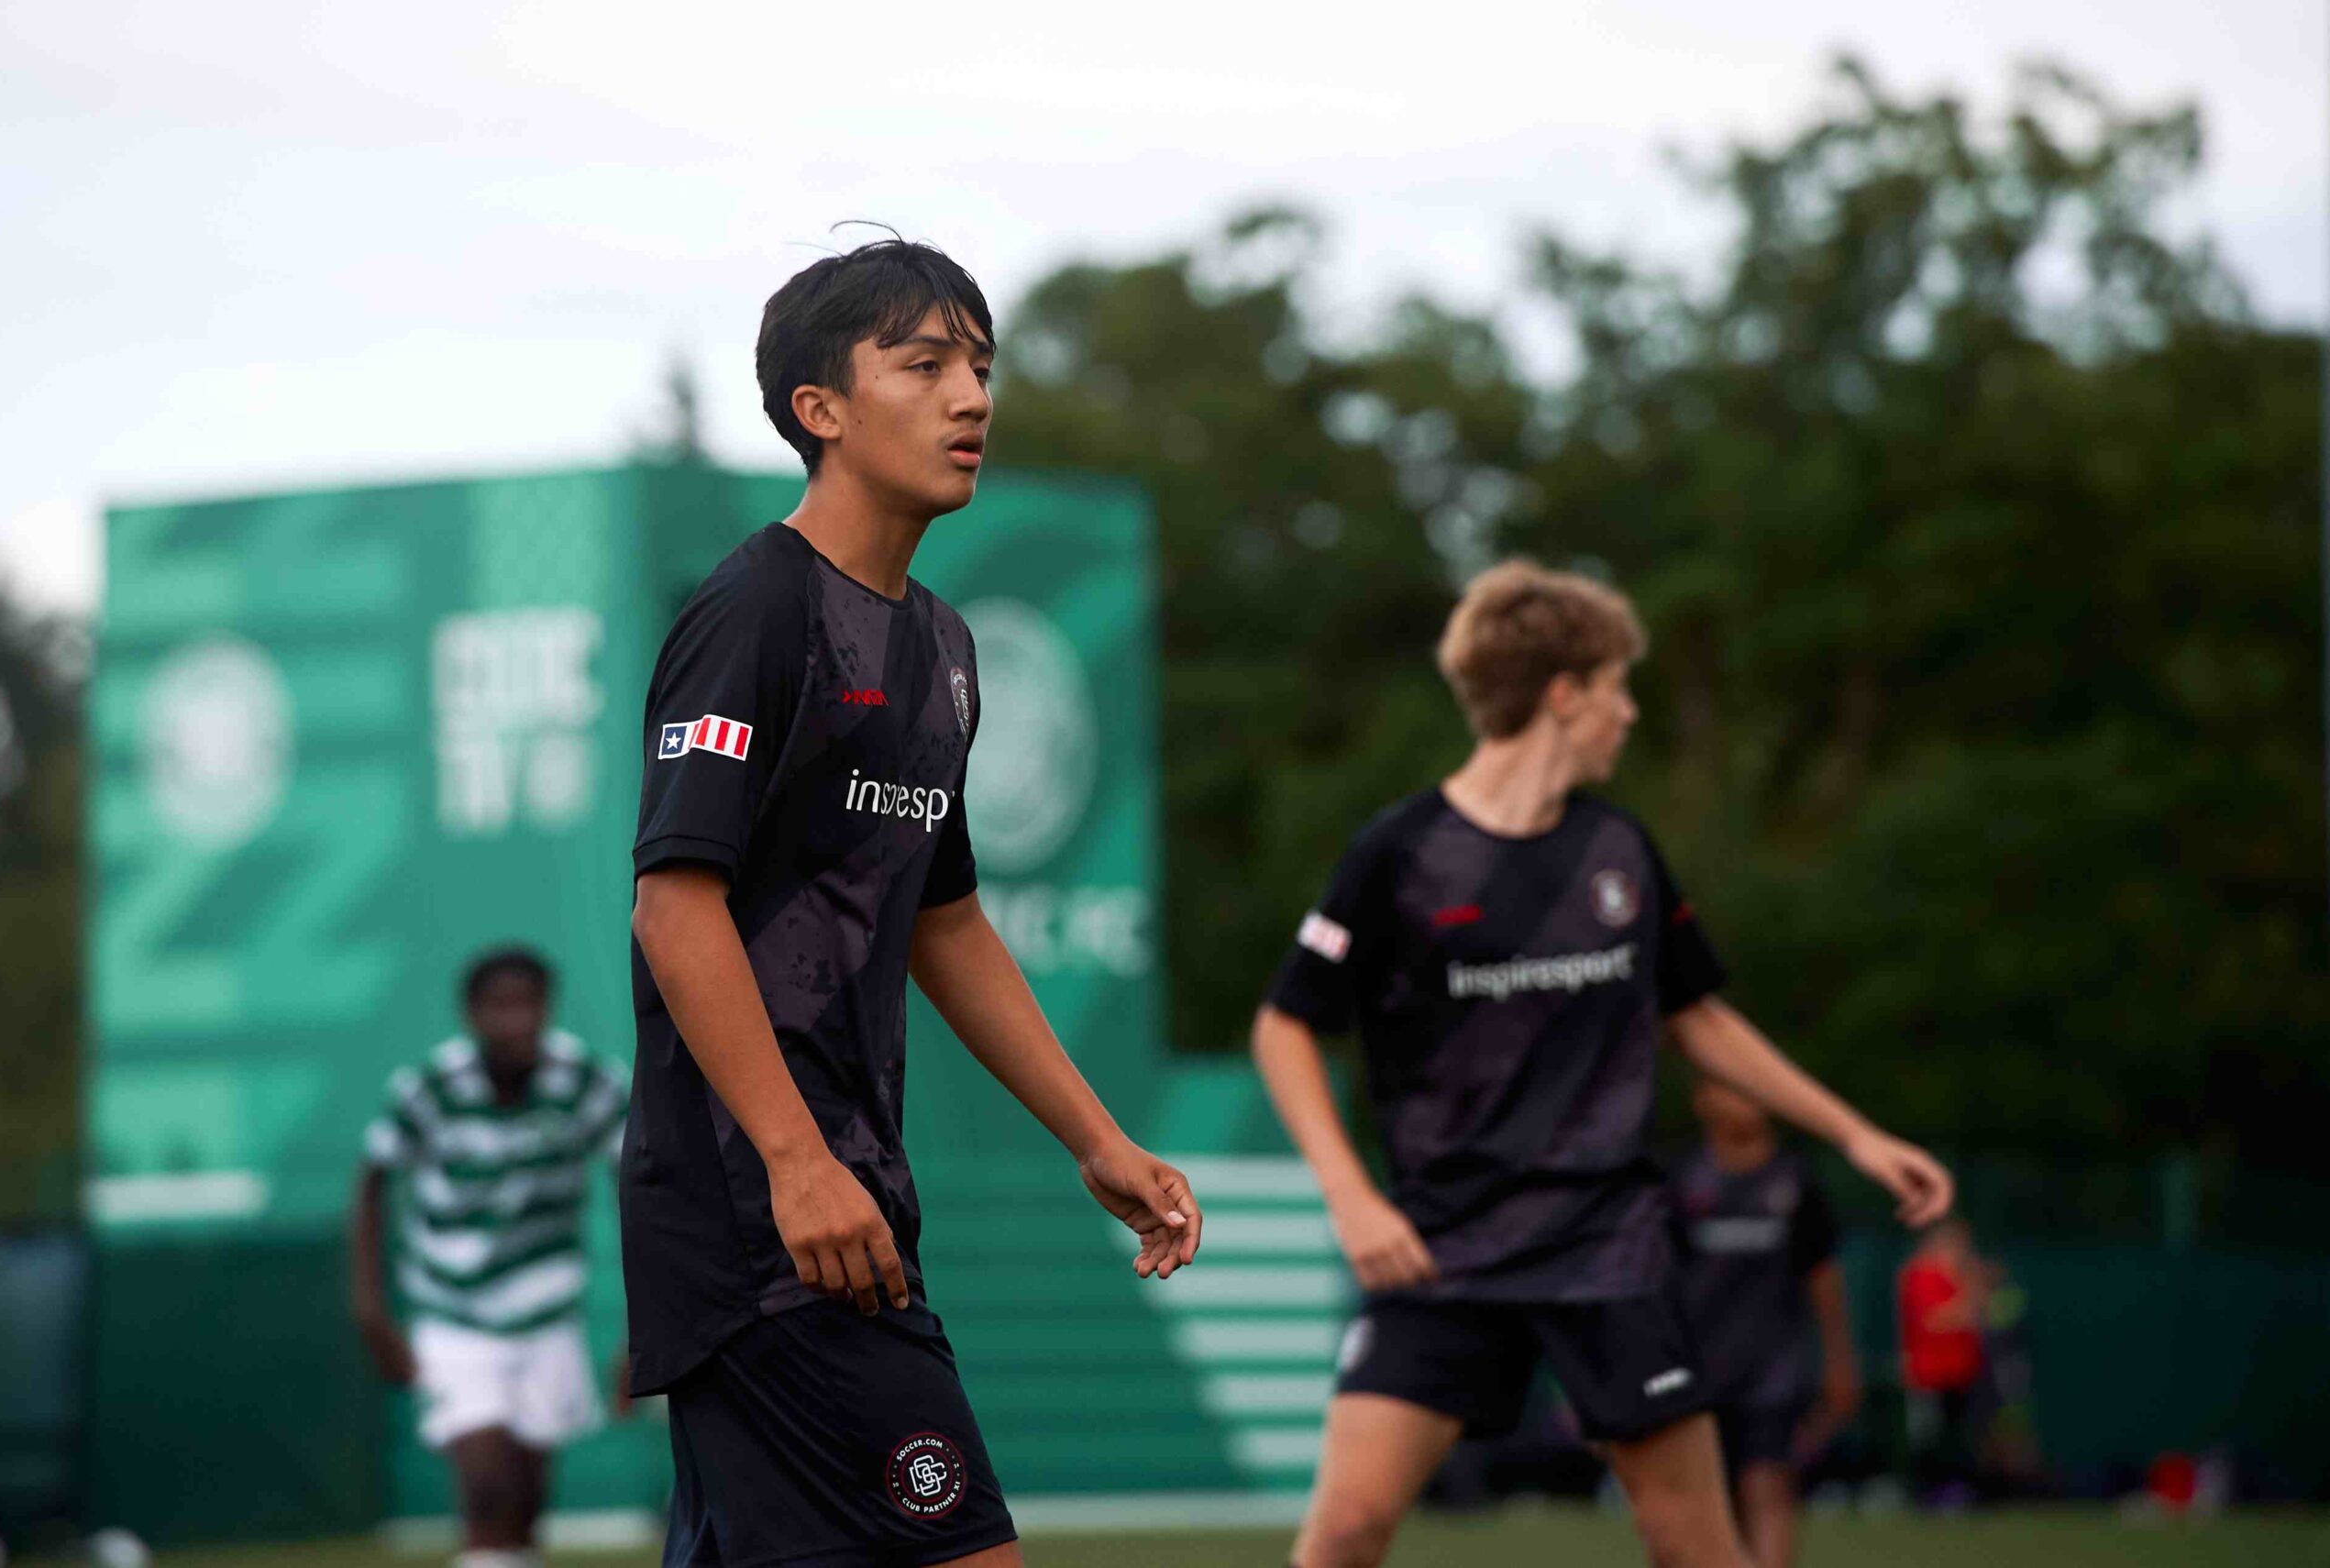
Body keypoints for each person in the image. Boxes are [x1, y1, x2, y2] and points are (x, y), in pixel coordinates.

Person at [624, 236, 1202, 1568]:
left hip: (847, 1201)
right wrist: (797, 1162)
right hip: (772, 1224)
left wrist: (1097, 1139)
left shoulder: (942, 647)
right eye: (926, 363)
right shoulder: (754, 608)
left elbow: (945, 922)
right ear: (819, 410)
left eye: (983, 366)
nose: (973, 397)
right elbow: (675, 906)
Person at [1250, 559, 1954, 1568]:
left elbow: (1698, 1019)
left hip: (1606, 1247)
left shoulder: (1619, 850)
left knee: (1697, 1549)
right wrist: (1350, 1197)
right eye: (1619, 688)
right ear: (1564, 695)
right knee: (1345, 1533)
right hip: (1443, 1243)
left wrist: (1855, 1134)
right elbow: (1284, 1026)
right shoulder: (1398, 854)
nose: (1628, 714)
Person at [352, 946, 629, 1568]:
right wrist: (371, 1311)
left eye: (529, 1004)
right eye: (499, 1006)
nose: (516, 1021)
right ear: (470, 1014)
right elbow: (372, 1184)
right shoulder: (429, 1087)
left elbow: (637, 1186)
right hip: (454, 1315)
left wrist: (645, 1325)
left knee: (526, 1505)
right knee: (487, 1491)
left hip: (548, 1316)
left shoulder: (587, 1082)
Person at [1672, 1077, 1861, 1568]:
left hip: (1774, 1368)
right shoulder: (1683, 1180)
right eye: (1732, 1089)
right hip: (1697, 1367)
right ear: (1703, 1100)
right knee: (1700, 1509)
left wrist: (1840, 1361)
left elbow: (1823, 1278)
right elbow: (1658, 1280)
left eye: (1752, 1088)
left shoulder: (1796, 1182)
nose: (1748, 1097)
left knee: (1769, 1490)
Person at [1898, 1217, 1987, 1500]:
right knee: (1930, 1437)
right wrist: (1968, 1303)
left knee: (1960, 1436)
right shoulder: (1921, 1274)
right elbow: (1934, 1319)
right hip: (1929, 1373)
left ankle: (1958, 1491)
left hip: (1961, 1371)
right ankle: (1928, 1493)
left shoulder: (1961, 1276)